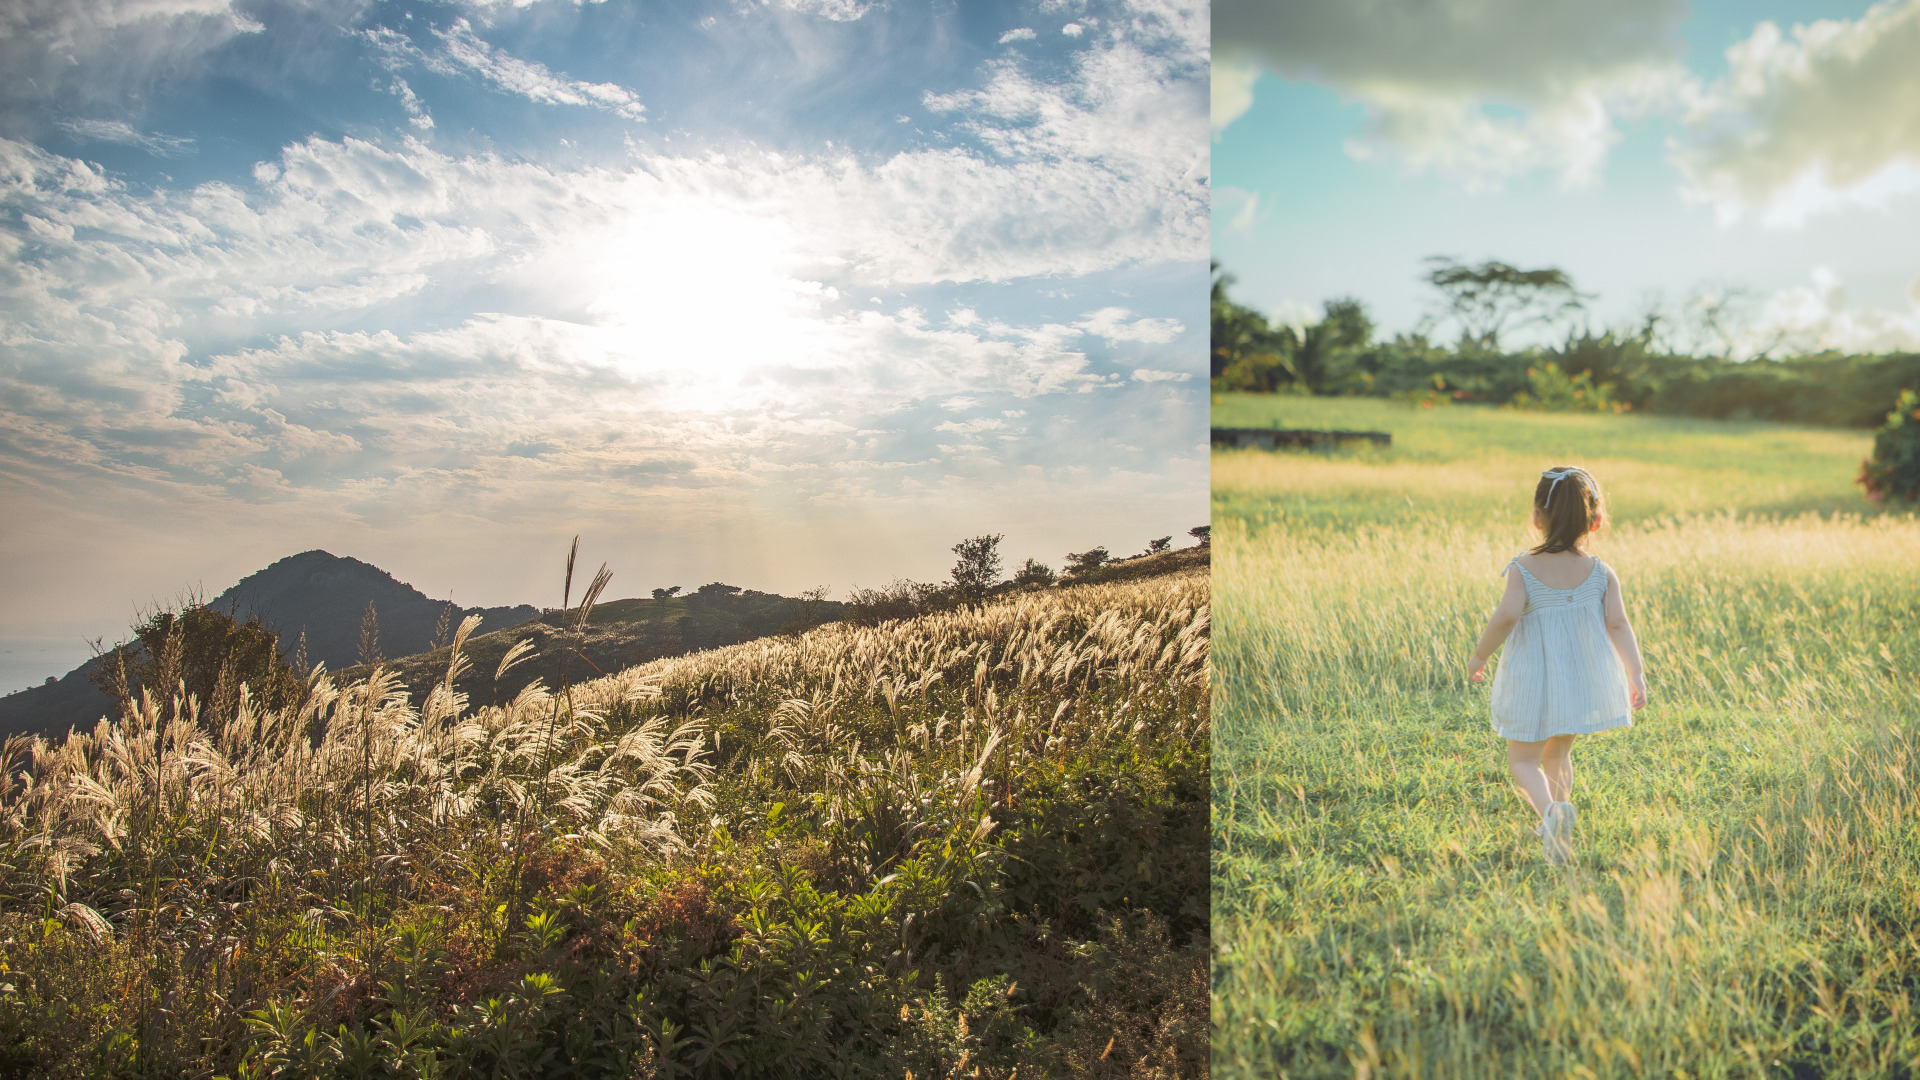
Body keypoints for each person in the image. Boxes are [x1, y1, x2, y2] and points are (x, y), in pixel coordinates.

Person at [1467, 466, 1647, 866]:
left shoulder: (1524, 568)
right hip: (1579, 681)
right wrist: (1635, 672)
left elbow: (1506, 617)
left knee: (1522, 759)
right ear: (1596, 521)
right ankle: (1558, 817)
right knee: (1558, 755)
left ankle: (1550, 815)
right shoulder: (1601, 572)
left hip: (1534, 679)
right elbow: (1618, 624)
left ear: (1537, 516)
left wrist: (1481, 655)